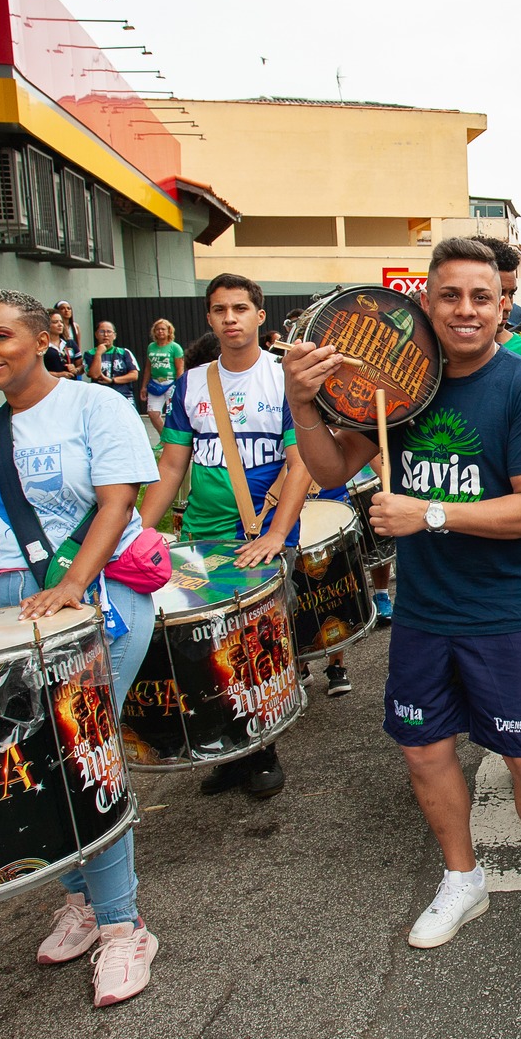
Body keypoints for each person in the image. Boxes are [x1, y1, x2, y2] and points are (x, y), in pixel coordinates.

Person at [282, 237, 521, 951]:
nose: (466, 310)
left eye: (482, 296)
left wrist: (430, 513)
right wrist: (302, 401)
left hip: (508, 609)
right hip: (424, 611)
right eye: (450, 295)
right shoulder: (401, 382)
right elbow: (328, 467)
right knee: (423, 750)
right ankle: (462, 877)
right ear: (426, 301)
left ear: (503, 305)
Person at [0, 289, 162, 1007]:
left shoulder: (97, 407)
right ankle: (83, 899)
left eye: (1, 335)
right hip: (2, 610)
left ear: (41, 338)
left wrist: (70, 581)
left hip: (91, 599)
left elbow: (117, 502)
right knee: (32, 767)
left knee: (83, 754)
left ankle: (125, 928)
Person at [139, 274, 312, 799]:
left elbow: (300, 460)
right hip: (202, 535)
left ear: (260, 316)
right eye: (220, 310)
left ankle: (263, 750)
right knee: (204, 649)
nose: (230, 318)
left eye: (241, 308)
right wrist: (139, 534)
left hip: (260, 529)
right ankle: (232, 748)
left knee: (255, 644)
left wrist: (278, 533)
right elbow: (172, 466)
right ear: (209, 318)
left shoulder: (285, 379)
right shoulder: (191, 384)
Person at [144, 318, 186, 438]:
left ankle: (175, 439)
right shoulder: (151, 347)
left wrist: (178, 386)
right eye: (157, 329)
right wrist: (143, 386)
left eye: (163, 329)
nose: (160, 332)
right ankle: (165, 438)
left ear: (169, 331)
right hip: (155, 383)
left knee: (171, 413)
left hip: (170, 382)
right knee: (153, 413)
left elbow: (180, 368)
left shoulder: (175, 347)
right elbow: (148, 367)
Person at [86, 322, 141, 405]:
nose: (105, 335)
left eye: (109, 332)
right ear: (96, 335)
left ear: (114, 335)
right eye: (102, 332)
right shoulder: (89, 354)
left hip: (124, 395)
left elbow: (134, 375)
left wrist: (112, 380)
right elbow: (94, 375)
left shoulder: (124, 352)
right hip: (100, 396)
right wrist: (98, 354)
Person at [44, 312, 80, 376]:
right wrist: (58, 374)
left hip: (71, 383)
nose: (60, 324)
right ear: (46, 324)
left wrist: (76, 370)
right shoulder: (41, 346)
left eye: (61, 322)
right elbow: (36, 371)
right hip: (51, 384)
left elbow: (81, 366)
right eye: (55, 322)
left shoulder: (70, 343)